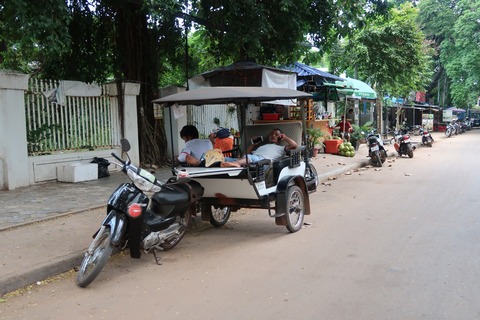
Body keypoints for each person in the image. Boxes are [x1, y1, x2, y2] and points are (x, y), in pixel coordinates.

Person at [220, 128, 297, 168]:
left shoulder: (281, 148)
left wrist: (285, 138)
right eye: (272, 134)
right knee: (225, 159)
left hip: (263, 161)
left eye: (276, 134)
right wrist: (254, 144)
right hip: (250, 158)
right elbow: (245, 154)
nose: (273, 135)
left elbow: (294, 145)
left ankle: (236, 164)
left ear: (280, 137)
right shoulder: (262, 146)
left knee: (249, 157)